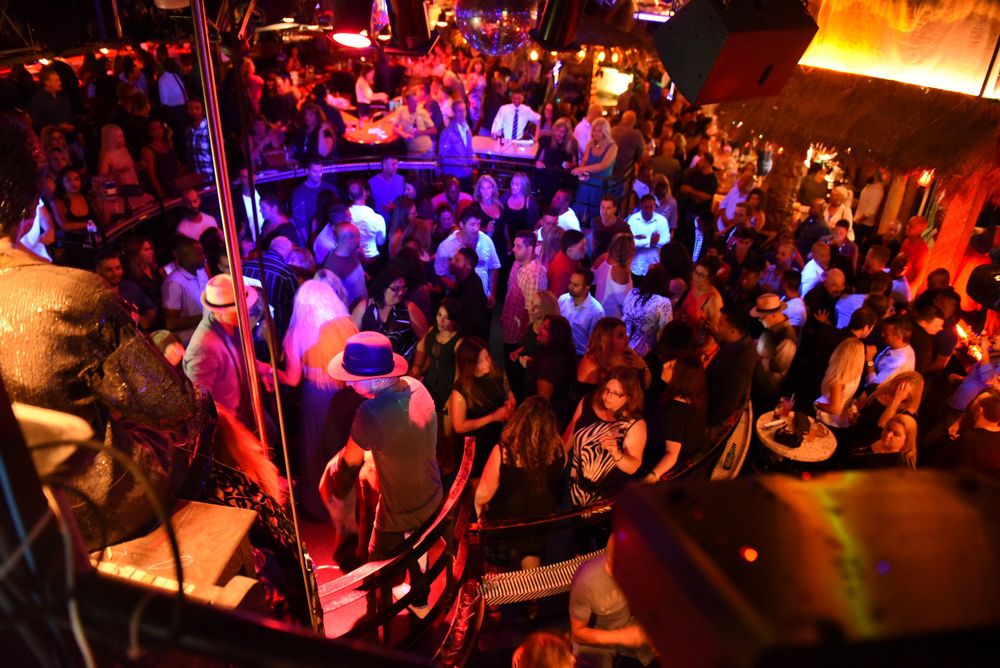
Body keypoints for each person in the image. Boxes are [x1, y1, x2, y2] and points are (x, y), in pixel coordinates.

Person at [0, 115, 214, 550]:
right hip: (88, 509)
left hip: (12, 518)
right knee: (202, 407)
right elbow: (172, 405)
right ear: (32, 205)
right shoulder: (74, 294)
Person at [321, 332, 442, 612]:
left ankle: (377, 615)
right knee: (417, 541)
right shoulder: (416, 386)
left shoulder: (371, 412)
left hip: (401, 512)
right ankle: (420, 597)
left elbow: (349, 463)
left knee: (374, 563)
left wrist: (331, 482)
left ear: (376, 379)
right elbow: (402, 436)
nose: (348, 383)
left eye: (353, 378)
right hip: (432, 495)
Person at [276, 280, 357, 520]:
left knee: (315, 450)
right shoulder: (346, 327)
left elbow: (292, 379)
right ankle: (347, 503)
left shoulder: (297, 333)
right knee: (343, 448)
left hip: (316, 397)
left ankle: (318, 508)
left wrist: (267, 370)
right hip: (345, 394)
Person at [474, 396, 566, 568]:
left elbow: (483, 495)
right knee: (531, 570)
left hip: (505, 523)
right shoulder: (558, 447)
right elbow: (560, 470)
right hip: (538, 520)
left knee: (495, 571)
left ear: (519, 420)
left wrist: (479, 514)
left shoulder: (503, 453)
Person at [183, 273, 265, 433]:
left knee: (271, 432)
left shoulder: (232, 326)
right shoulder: (204, 345)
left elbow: (240, 359)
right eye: (238, 308)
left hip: (242, 413)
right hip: (226, 427)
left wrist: (263, 369)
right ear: (220, 312)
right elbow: (200, 402)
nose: (246, 311)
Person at [565, 367, 647, 508]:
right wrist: (557, 459)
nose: (607, 396)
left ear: (629, 396)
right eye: (607, 390)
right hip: (577, 489)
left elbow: (633, 466)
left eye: (616, 393)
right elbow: (571, 432)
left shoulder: (634, 424)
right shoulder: (589, 401)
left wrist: (616, 453)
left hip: (606, 499)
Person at [569, 536, 653, 668]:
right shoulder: (585, 582)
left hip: (628, 622)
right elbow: (578, 634)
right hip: (596, 632)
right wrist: (620, 636)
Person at [450, 337, 516, 480]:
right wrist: (493, 417)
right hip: (475, 444)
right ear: (469, 364)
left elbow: (507, 391)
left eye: (487, 357)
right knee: (478, 480)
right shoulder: (461, 389)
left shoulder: (497, 371)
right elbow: (459, 426)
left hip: (496, 436)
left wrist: (511, 401)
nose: (487, 363)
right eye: (480, 361)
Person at [645, 351, 708, 481]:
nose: (664, 365)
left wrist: (652, 476)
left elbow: (672, 453)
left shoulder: (674, 410)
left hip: (670, 465)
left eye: (671, 366)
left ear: (681, 376)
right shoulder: (695, 396)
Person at [351, 267, 428, 363]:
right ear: (383, 287)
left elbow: (424, 337)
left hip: (403, 366)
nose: (401, 292)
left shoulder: (409, 308)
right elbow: (353, 338)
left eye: (403, 288)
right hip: (371, 365)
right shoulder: (364, 307)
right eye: (395, 289)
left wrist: (417, 366)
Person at [501, 230, 548, 384]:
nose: (513, 249)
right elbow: (510, 292)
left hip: (520, 334)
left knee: (517, 374)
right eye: (514, 245)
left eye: (518, 246)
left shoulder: (534, 274)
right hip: (511, 325)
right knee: (509, 366)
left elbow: (532, 310)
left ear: (530, 249)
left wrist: (524, 337)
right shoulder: (517, 263)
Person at [705, 304, 757, 431]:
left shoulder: (738, 363)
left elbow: (729, 403)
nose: (718, 326)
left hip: (711, 417)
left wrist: (706, 424)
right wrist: (717, 336)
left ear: (732, 331)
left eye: (721, 324)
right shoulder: (744, 342)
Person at [434, 205, 502, 302]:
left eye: (478, 224)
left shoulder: (486, 240)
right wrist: (458, 291)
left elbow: (493, 267)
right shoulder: (446, 246)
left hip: (482, 298)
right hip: (457, 300)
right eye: (472, 224)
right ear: (462, 224)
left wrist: (492, 294)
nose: (476, 228)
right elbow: (441, 275)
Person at [577, 317, 651, 397]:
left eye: (625, 333)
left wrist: (643, 367)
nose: (627, 338)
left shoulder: (628, 353)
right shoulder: (592, 362)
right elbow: (587, 399)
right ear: (606, 340)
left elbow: (645, 387)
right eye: (620, 336)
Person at [934, 390, 1000, 479]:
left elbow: (958, 475)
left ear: (980, 410)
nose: (974, 401)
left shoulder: (969, 440)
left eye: (977, 400)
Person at [751, 293, 798, 409]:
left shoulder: (787, 336)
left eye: (762, 317)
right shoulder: (770, 327)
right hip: (757, 384)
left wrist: (756, 358)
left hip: (767, 391)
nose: (759, 320)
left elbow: (778, 366)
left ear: (773, 315)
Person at [852, 371, 923, 448]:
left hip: (871, 443)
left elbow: (882, 424)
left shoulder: (906, 412)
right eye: (898, 385)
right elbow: (857, 405)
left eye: (903, 389)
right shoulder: (875, 389)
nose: (898, 390)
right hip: (854, 432)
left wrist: (896, 400)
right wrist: (853, 411)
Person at [161, 236, 208, 345]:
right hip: (190, 342)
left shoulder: (201, 273)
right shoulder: (174, 283)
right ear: (185, 257)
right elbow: (170, 323)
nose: (204, 257)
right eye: (199, 254)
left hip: (206, 335)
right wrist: (205, 316)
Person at [95, 249, 157, 330]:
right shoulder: (94, 295)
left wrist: (145, 323)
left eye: (118, 268)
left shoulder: (131, 288)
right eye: (109, 270)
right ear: (98, 271)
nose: (115, 273)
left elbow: (151, 307)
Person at [813, 337, 866, 430]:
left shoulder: (838, 380)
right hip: (841, 420)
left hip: (826, 421)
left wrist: (817, 404)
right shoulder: (856, 375)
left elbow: (834, 408)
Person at [622, 264, 674, 357]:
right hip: (643, 351)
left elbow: (624, 314)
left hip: (622, 341)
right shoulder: (663, 302)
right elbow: (663, 332)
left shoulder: (633, 292)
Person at [571, 117, 618, 220]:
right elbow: (584, 160)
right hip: (588, 179)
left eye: (599, 131)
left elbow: (603, 165)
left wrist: (582, 169)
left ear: (605, 131)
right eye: (594, 130)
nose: (596, 133)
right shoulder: (590, 143)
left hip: (602, 181)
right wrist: (581, 170)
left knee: (595, 209)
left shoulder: (612, 147)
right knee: (580, 205)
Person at [559, 267, 607, 356]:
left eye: (576, 285)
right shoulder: (562, 299)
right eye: (570, 283)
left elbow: (595, 342)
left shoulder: (596, 311)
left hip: (579, 355)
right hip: (561, 350)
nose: (570, 287)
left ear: (586, 288)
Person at [848, 414, 919, 469]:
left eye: (896, 434)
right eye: (888, 429)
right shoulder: (875, 439)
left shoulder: (898, 466)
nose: (888, 435)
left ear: (906, 441)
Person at [626, 194, 671, 277]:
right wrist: (651, 241)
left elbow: (666, 242)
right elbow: (630, 243)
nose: (648, 210)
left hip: (654, 266)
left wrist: (644, 240)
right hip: (636, 266)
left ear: (654, 206)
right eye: (646, 207)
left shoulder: (662, 221)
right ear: (641, 205)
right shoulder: (633, 220)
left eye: (651, 207)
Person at [593, 232, 635, 320]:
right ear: (627, 251)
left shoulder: (602, 258)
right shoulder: (620, 271)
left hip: (598, 313)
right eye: (633, 248)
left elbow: (592, 279)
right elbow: (625, 302)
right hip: (612, 317)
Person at [865, 314, 916, 386]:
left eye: (886, 333)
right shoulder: (896, 347)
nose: (882, 334)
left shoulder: (898, 362)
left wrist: (869, 361)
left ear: (898, 337)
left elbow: (875, 385)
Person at [346, 178, 387, 267]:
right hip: (372, 260)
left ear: (350, 196)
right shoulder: (377, 218)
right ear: (364, 193)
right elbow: (380, 242)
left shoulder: (344, 216)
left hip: (351, 260)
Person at [291, 158, 333, 243]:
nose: (319, 174)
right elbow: (300, 221)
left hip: (331, 236)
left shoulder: (330, 187)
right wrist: (309, 242)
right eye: (315, 171)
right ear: (307, 171)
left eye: (320, 171)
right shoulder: (299, 193)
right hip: (312, 236)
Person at [141, 118, 183, 198]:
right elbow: (152, 176)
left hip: (176, 186)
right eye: (154, 129)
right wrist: (162, 195)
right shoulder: (148, 151)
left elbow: (176, 163)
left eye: (160, 127)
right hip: (164, 189)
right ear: (149, 132)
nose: (158, 131)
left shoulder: (167, 144)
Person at [497, 172, 541, 250]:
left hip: (522, 241)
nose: (513, 186)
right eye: (512, 183)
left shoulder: (530, 202)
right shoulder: (505, 197)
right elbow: (499, 217)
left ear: (524, 186)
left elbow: (532, 225)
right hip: (504, 238)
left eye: (517, 185)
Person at [439, 99, 474, 180]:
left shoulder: (468, 130)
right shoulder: (447, 133)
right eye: (459, 111)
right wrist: (460, 164)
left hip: (468, 173)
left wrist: (473, 158)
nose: (463, 113)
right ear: (454, 112)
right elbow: (443, 157)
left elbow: (468, 150)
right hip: (454, 176)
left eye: (464, 110)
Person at [395, 88, 436, 158]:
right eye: (412, 102)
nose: (415, 104)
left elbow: (434, 130)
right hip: (412, 152)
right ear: (406, 101)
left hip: (426, 151)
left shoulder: (423, 112)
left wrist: (420, 132)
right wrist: (404, 135)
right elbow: (394, 128)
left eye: (416, 102)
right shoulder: (401, 110)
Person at [589, 195, 631, 261]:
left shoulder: (623, 226)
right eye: (602, 207)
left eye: (608, 208)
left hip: (614, 261)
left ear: (615, 209)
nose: (604, 211)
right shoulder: (594, 221)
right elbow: (593, 238)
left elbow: (630, 247)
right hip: (597, 259)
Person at [548, 229, 587, 297]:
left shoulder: (571, 257)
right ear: (570, 250)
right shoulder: (563, 270)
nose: (586, 248)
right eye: (582, 247)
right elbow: (559, 299)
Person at [368, 155, 405, 222]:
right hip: (379, 222)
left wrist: (395, 207)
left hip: (399, 222)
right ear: (384, 166)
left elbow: (406, 201)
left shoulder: (401, 179)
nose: (397, 167)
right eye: (393, 164)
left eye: (397, 164)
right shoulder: (372, 183)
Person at [900, 215, 931, 294]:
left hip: (906, 290)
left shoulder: (923, 251)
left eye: (911, 226)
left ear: (920, 229)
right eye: (908, 224)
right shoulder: (906, 241)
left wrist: (902, 288)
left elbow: (918, 281)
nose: (907, 227)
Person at [184, 98, 213, 179]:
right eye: (190, 108)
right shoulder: (188, 131)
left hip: (211, 177)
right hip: (196, 179)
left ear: (203, 111)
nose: (193, 112)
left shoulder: (210, 129)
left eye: (197, 108)